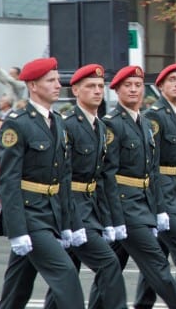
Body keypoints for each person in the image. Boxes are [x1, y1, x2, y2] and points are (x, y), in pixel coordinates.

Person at [0, 57, 85, 309]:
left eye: (57, 80)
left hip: (51, 212)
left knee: (17, 288)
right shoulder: (17, 123)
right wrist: (17, 229)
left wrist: (69, 223)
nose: (58, 85)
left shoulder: (57, 122)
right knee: (66, 274)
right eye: (51, 81)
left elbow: (64, 177)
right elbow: (9, 180)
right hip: (29, 214)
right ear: (33, 85)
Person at [98, 65, 176, 309]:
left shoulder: (145, 123)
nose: (134, 89)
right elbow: (108, 175)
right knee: (157, 263)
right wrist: (113, 217)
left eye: (138, 85)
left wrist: (158, 209)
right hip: (126, 206)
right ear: (116, 90)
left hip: (143, 203)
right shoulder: (112, 124)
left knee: (110, 266)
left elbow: (152, 171)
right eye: (128, 85)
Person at [44, 64, 128, 309]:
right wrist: (65, 218)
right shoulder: (67, 125)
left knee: (67, 273)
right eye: (90, 86)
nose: (97, 91)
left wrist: (113, 218)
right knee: (108, 263)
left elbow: (103, 177)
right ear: (76, 91)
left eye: (100, 86)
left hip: (91, 207)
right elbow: (62, 174)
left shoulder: (101, 127)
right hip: (72, 209)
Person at [135, 63, 176, 308]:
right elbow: (151, 164)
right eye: (172, 80)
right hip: (162, 193)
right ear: (161, 86)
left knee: (158, 254)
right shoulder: (155, 117)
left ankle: (143, 302)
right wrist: (159, 205)